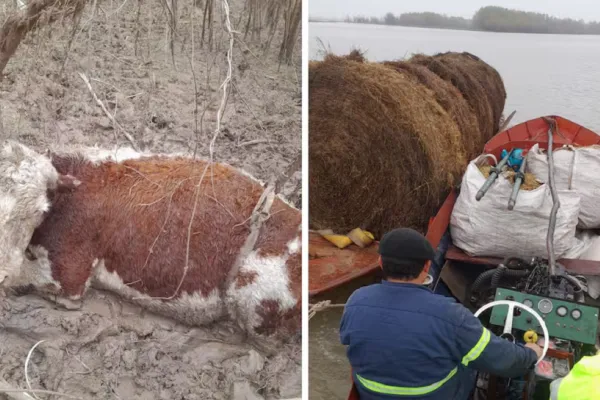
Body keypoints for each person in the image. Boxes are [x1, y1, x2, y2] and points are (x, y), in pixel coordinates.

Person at [340, 228, 543, 400]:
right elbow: (504, 361)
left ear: (381, 262)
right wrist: (531, 353)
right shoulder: (451, 315)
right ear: (427, 266)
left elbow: (353, 349)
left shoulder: (356, 300)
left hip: (371, 394)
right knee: (470, 361)